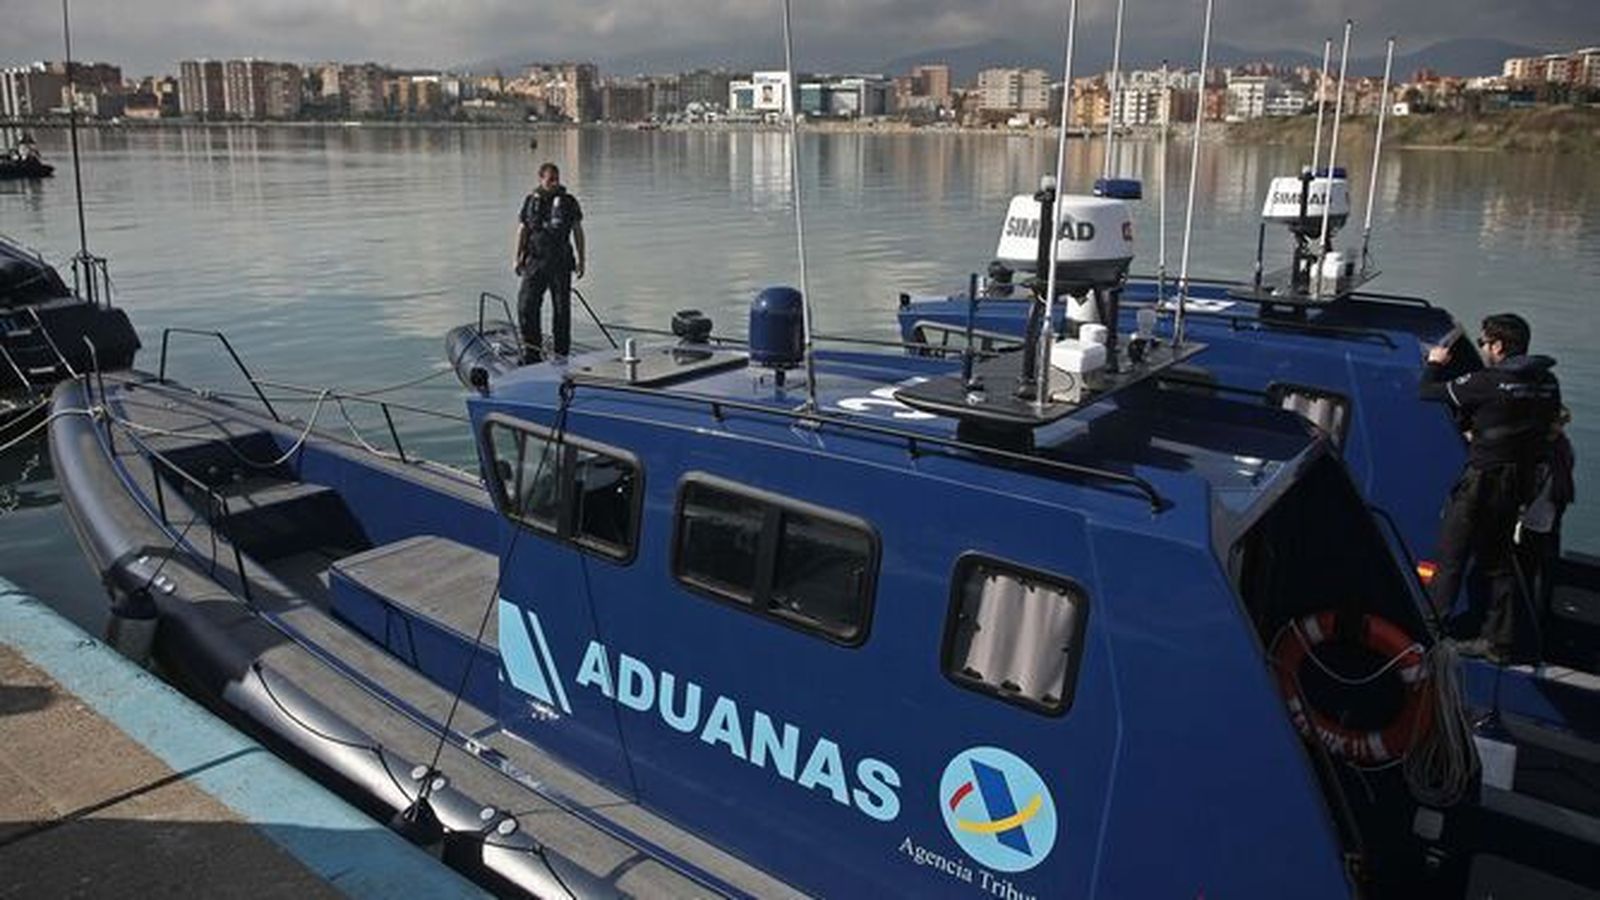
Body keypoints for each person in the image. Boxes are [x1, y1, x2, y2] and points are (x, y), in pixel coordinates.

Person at [1420, 313, 1561, 661]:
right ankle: (1500, 642)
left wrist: (1434, 364)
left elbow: (1428, 391)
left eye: (1484, 342)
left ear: (1498, 346)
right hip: (1521, 481)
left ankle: (1430, 631)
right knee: (1497, 560)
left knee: (1451, 554)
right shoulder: (1548, 382)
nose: (1483, 348)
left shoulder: (1487, 381)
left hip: (1484, 479)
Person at [514, 162, 585, 363]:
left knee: (562, 310)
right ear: (541, 178)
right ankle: (531, 351)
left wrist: (582, 259)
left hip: (561, 262)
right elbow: (522, 229)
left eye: (556, 178)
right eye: (550, 179)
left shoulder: (568, 202)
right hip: (535, 262)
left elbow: (578, 230)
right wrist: (517, 257)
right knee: (526, 306)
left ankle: (561, 353)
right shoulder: (530, 202)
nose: (554, 182)